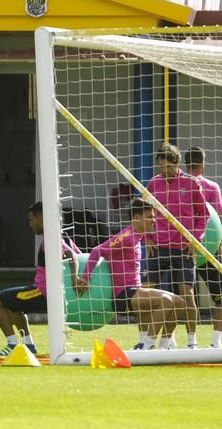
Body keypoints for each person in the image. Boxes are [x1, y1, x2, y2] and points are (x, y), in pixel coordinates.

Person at [80, 198, 186, 350]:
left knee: (179, 302)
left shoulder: (139, 236)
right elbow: (98, 251)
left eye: (154, 216)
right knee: (166, 301)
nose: (154, 220)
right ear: (136, 218)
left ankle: (164, 346)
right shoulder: (127, 236)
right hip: (124, 294)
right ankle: (146, 344)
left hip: (136, 290)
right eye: (150, 216)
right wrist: (85, 277)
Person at [0, 201, 84, 355]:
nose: (30, 224)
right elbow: (79, 255)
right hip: (47, 291)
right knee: (14, 306)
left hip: (42, 291)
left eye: (32, 220)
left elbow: (72, 255)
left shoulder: (51, 239)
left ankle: (12, 345)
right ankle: (28, 345)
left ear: (41, 217)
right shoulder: (63, 236)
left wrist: (74, 278)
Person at [146, 143, 207, 348]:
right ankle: (145, 340)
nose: (164, 172)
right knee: (147, 292)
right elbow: (145, 213)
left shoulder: (190, 183)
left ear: (176, 164)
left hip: (183, 247)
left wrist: (195, 240)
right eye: (161, 168)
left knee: (186, 293)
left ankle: (192, 340)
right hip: (159, 247)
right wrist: (147, 237)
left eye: (168, 168)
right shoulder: (153, 183)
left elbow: (203, 214)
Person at [185, 146, 222, 348]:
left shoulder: (177, 185)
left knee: (181, 298)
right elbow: (219, 219)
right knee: (220, 296)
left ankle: (175, 342)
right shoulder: (211, 187)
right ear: (203, 164)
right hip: (209, 251)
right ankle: (216, 344)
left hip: (181, 250)